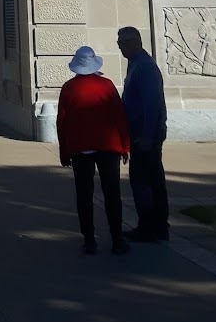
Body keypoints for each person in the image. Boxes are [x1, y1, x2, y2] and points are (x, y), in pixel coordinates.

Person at [56, 44, 131, 256]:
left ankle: (89, 241)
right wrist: (125, 146)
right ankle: (117, 239)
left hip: (80, 148)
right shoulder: (107, 86)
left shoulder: (69, 88)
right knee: (112, 194)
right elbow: (120, 118)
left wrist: (64, 151)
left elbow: (62, 123)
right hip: (108, 147)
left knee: (84, 195)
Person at [117, 26, 169, 242]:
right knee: (151, 180)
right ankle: (155, 226)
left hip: (144, 134)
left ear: (134, 42)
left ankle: (150, 227)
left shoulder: (145, 67)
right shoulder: (137, 64)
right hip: (140, 132)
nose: (119, 47)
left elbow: (152, 105)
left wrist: (148, 135)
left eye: (122, 42)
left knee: (144, 182)